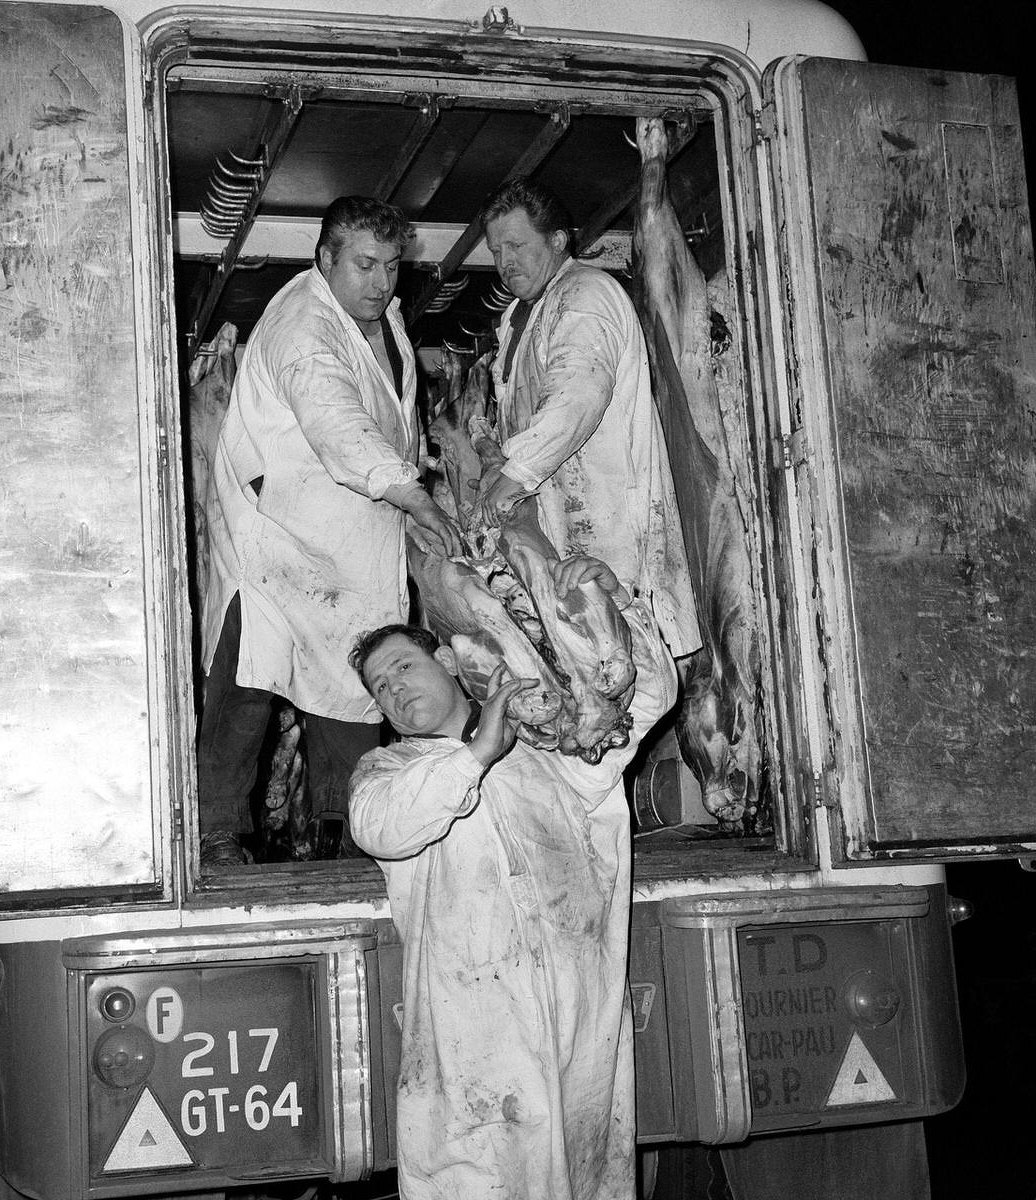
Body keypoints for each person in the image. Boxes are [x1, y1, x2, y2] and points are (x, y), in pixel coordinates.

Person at [348, 556, 677, 1200]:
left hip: (580, 1013)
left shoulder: (546, 751)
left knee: (588, 1174)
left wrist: (616, 604)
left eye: (402, 668)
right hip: (476, 1031)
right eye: (380, 688)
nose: (393, 690)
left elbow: (645, 701)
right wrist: (476, 753)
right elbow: (378, 826)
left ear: (447, 661)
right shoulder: (388, 772)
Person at [198, 196, 459, 863]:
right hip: (275, 539)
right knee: (247, 687)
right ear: (324, 259)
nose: (380, 283)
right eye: (365, 265)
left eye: (391, 267)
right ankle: (216, 833)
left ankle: (347, 834)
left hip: (349, 547)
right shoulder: (302, 326)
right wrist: (413, 497)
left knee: (352, 696)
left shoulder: (383, 322)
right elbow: (336, 420)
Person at [475, 177, 702, 664]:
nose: (504, 262)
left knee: (632, 656)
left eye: (516, 245)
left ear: (558, 240)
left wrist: (514, 473)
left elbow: (579, 394)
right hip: (564, 516)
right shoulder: (521, 315)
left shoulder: (584, 294)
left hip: (610, 515)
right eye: (496, 250)